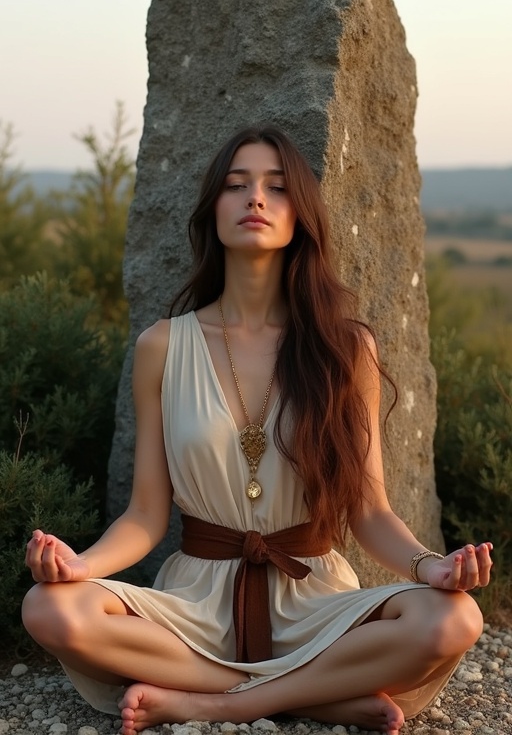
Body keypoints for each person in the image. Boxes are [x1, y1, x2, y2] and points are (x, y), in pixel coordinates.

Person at [23, 124, 493, 735]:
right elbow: (145, 516)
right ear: (211, 210)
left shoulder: (345, 348)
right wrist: (79, 567)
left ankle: (220, 701)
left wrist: (431, 567)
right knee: (50, 610)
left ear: (301, 213)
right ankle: (314, 695)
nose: (255, 199)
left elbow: (370, 512)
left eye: (276, 187)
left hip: (317, 605)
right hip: (193, 608)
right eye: (236, 185)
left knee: (454, 621)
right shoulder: (163, 347)